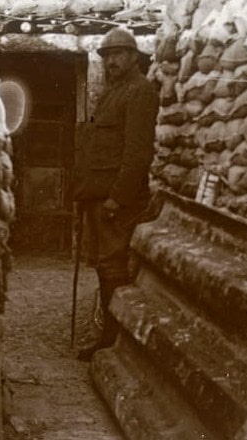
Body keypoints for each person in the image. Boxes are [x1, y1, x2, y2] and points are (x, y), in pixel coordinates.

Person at [73, 27, 159, 362]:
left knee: (113, 266)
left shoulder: (140, 92)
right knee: (104, 265)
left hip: (116, 201)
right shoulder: (111, 93)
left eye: (118, 55)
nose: (111, 61)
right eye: (107, 56)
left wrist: (117, 198)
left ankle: (112, 339)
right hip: (98, 196)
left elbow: (137, 153)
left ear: (133, 57)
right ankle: (107, 334)